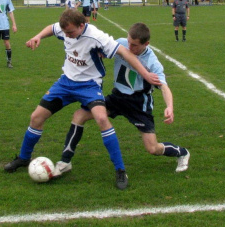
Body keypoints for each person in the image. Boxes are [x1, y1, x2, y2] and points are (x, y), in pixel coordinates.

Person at [3, 10, 161, 190]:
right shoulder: (65, 28)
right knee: (36, 117)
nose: (67, 35)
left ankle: (120, 170)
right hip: (65, 83)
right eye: (65, 33)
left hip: (90, 86)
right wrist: (38, 36)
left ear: (81, 26)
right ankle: (24, 158)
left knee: (102, 119)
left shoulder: (97, 37)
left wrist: (146, 74)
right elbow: (52, 28)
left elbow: (125, 53)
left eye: (70, 32)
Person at [53, 22, 190, 179]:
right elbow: (101, 51)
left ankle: (182, 152)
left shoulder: (152, 62)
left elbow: (164, 87)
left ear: (146, 44)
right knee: (79, 115)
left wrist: (170, 107)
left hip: (138, 104)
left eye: (135, 45)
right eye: (129, 42)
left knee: (153, 148)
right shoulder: (121, 44)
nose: (130, 48)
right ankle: (65, 161)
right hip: (117, 97)